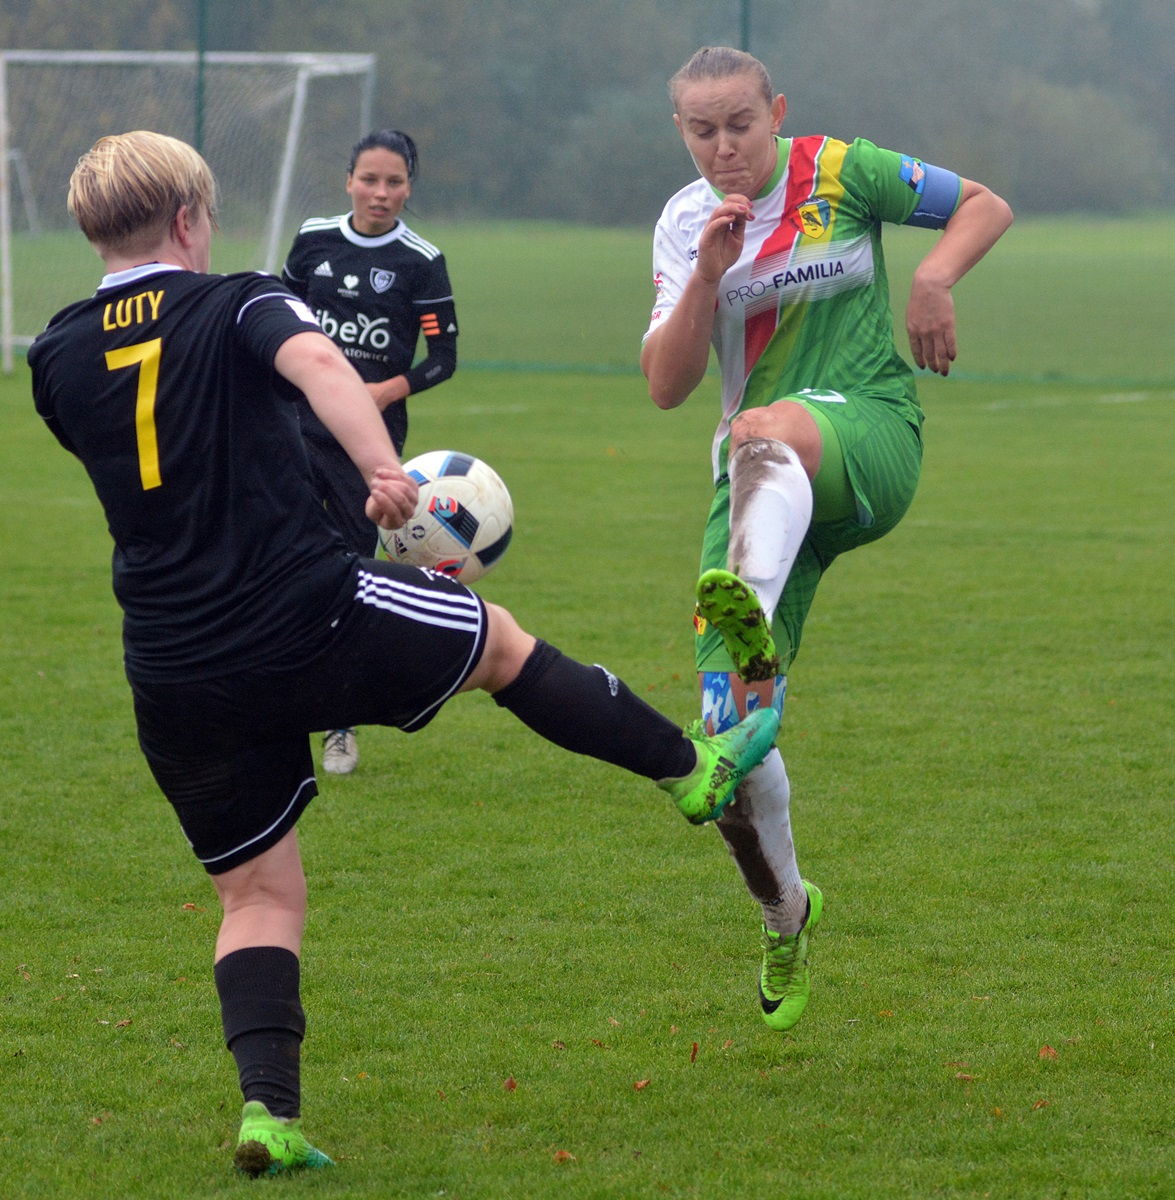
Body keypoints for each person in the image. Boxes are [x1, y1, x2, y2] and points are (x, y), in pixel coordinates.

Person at [29, 131, 780, 1177]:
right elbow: (317, 361)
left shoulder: (55, 352)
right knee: (502, 647)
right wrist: (384, 472)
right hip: (299, 609)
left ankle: (268, 1116)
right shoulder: (239, 299)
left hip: (169, 659)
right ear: (191, 219)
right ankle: (693, 773)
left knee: (257, 897)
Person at [641, 47, 1013, 1034]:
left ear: (777, 115)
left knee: (766, 427)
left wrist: (931, 279)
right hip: (753, 492)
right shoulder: (684, 223)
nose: (722, 147)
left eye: (738, 125)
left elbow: (982, 202)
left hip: (864, 436)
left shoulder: (840, 171)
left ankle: (749, 613)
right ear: (679, 131)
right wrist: (705, 278)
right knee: (727, 757)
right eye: (700, 130)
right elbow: (666, 385)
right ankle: (784, 914)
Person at [281, 128, 458, 774]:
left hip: (370, 444)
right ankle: (275, 700)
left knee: (348, 576)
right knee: (285, 559)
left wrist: (383, 391)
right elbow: (279, 320)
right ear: (348, 179)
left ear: (408, 187)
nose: (380, 193)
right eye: (368, 179)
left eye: (393, 182)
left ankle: (338, 720)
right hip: (297, 427)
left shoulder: (421, 260)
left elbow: (443, 359)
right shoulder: (313, 240)